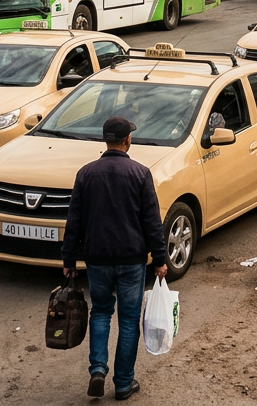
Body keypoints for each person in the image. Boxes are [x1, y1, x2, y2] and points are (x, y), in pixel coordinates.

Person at [60, 117, 168, 402]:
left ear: (105, 140)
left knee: (100, 312)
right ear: (127, 140)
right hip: (132, 258)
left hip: (97, 258)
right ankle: (123, 383)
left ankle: (97, 369)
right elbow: (152, 223)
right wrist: (160, 259)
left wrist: (69, 259)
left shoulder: (86, 174)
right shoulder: (140, 173)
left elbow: (74, 221)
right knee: (130, 319)